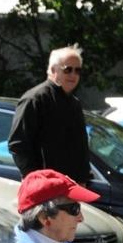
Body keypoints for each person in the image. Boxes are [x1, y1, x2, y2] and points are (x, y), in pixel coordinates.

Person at [8, 45, 93, 185]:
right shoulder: (35, 99)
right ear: (53, 70)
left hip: (71, 189)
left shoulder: (74, 104)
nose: (73, 75)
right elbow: (18, 144)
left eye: (77, 70)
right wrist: (35, 179)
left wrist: (84, 180)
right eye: (68, 69)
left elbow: (81, 148)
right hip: (43, 189)